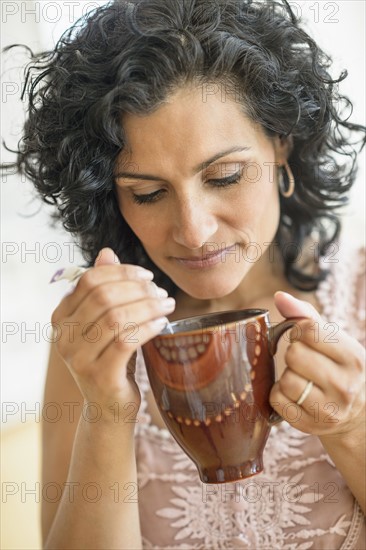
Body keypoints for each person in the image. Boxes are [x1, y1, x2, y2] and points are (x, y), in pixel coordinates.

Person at [7, 0, 365, 548]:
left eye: (225, 176)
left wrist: (354, 428)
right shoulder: (94, 342)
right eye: (147, 193)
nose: (194, 231)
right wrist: (107, 412)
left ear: (282, 144)